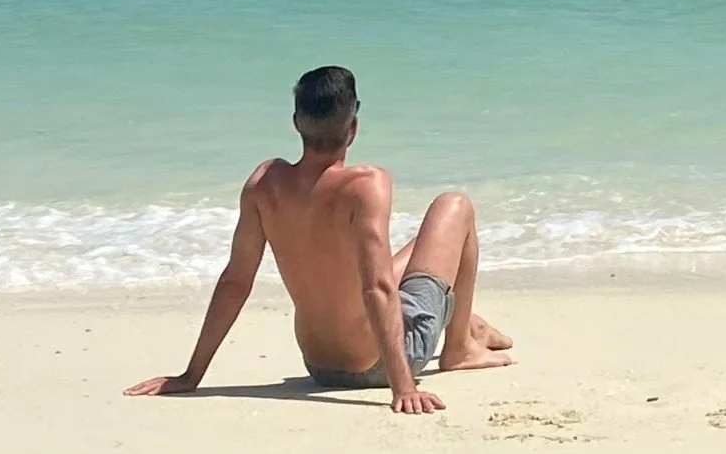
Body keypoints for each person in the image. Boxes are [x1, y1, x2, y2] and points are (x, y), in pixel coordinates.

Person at [125, 65, 511, 415]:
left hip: (318, 365)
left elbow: (235, 282)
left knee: (416, 246)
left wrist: (191, 375)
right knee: (454, 207)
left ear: (296, 123)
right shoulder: (366, 184)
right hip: (379, 364)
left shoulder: (264, 183)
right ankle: (459, 345)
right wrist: (403, 386)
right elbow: (376, 288)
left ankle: (467, 322)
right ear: (353, 127)